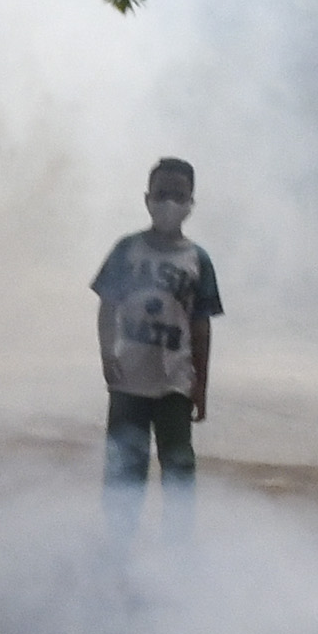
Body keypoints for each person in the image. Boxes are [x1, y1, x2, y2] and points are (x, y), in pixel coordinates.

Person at [91, 156, 222, 535]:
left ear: (191, 203)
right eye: (162, 194)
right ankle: (118, 539)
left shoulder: (197, 261)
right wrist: (106, 352)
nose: (169, 203)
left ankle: (177, 544)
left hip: (174, 383)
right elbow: (108, 304)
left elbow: (201, 327)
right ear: (147, 198)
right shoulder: (127, 250)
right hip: (128, 377)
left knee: (178, 464)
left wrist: (201, 383)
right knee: (123, 465)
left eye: (178, 196)